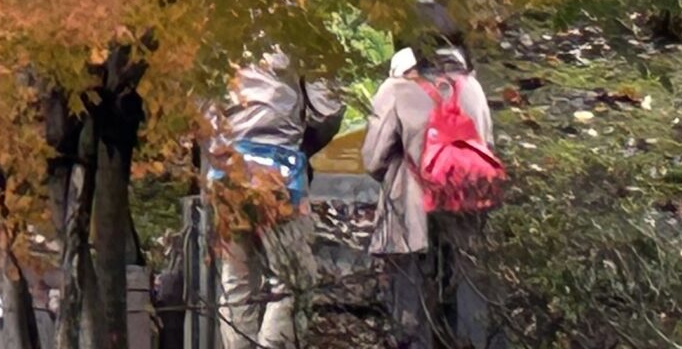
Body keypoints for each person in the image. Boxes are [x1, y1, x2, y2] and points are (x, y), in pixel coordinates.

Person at [361, 44, 497, 349]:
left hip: (411, 209)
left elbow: (373, 158)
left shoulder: (395, 89)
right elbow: (487, 143)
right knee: (462, 294)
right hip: (464, 203)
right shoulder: (472, 88)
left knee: (410, 299)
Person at [211, 48, 344, 348]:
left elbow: (197, 111)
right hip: (280, 163)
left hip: (228, 168)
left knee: (236, 282)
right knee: (294, 278)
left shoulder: (215, 25)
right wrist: (304, 147)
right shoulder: (299, 30)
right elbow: (329, 110)